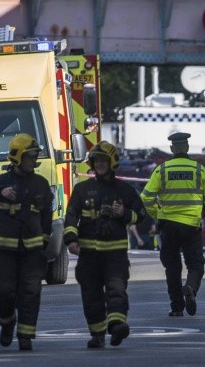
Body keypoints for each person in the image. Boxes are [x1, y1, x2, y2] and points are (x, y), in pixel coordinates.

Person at [63, 141, 146, 349]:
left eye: (103, 160)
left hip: (115, 254)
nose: (99, 164)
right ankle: (97, 334)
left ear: (112, 163)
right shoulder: (82, 189)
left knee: (116, 290)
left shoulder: (125, 190)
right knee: (91, 296)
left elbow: (142, 215)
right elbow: (71, 215)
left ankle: (117, 325)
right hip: (88, 254)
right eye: (96, 160)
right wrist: (71, 240)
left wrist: (123, 213)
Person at [140, 132, 205, 317]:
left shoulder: (162, 170)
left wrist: (158, 215)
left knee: (172, 267)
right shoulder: (199, 170)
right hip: (191, 226)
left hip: (168, 226)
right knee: (196, 264)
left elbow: (146, 197)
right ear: (186, 147)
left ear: (172, 149)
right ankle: (191, 287)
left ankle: (177, 307)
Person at [0, 133, 53, 351]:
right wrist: (1, 193)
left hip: (32, 252)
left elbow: (46, 217)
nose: (34, 160)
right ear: (17, 158)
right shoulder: (1, 181)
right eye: (30, 156)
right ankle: (7, 323)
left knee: (30, 293)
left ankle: (25, 336)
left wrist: (43, 240)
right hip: (4, 252)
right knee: (3, 291)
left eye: (35, 156)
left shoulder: (41, 184)